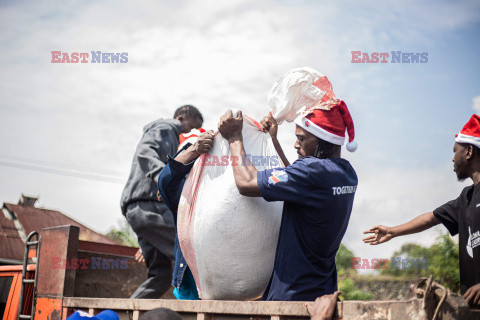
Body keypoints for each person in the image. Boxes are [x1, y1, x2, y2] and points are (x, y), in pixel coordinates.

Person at [217, 92, 358, 300]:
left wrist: (234, 138)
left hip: (292, 296)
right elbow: (298, 181)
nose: (295, 145)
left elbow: (246, 183)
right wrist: (274, 140)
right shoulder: (346, 174)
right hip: (322, 294)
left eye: (301, 139)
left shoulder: (311, 173)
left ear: (323, 141)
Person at [363, 114, 480, 307]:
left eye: (455, 151)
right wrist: (392, 231)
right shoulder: (466, 197)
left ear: (468, 151)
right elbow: (431, 218)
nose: (452, 158)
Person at [120, 105, 203, 299]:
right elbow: (145, 152)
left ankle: (127, 314)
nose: (193, 132)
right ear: (181, 118)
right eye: (193, 126)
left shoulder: (173, 136)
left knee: (161, 276)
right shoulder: (168, 127)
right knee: (190, 250)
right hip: (148, 205)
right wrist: (162, 178)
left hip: (138, 210)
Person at [157, 129, 214, 300]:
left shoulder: (216, 185)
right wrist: (194, 149)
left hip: (220, 278)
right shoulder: (181, 191)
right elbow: (166, 180)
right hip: (190, 284)